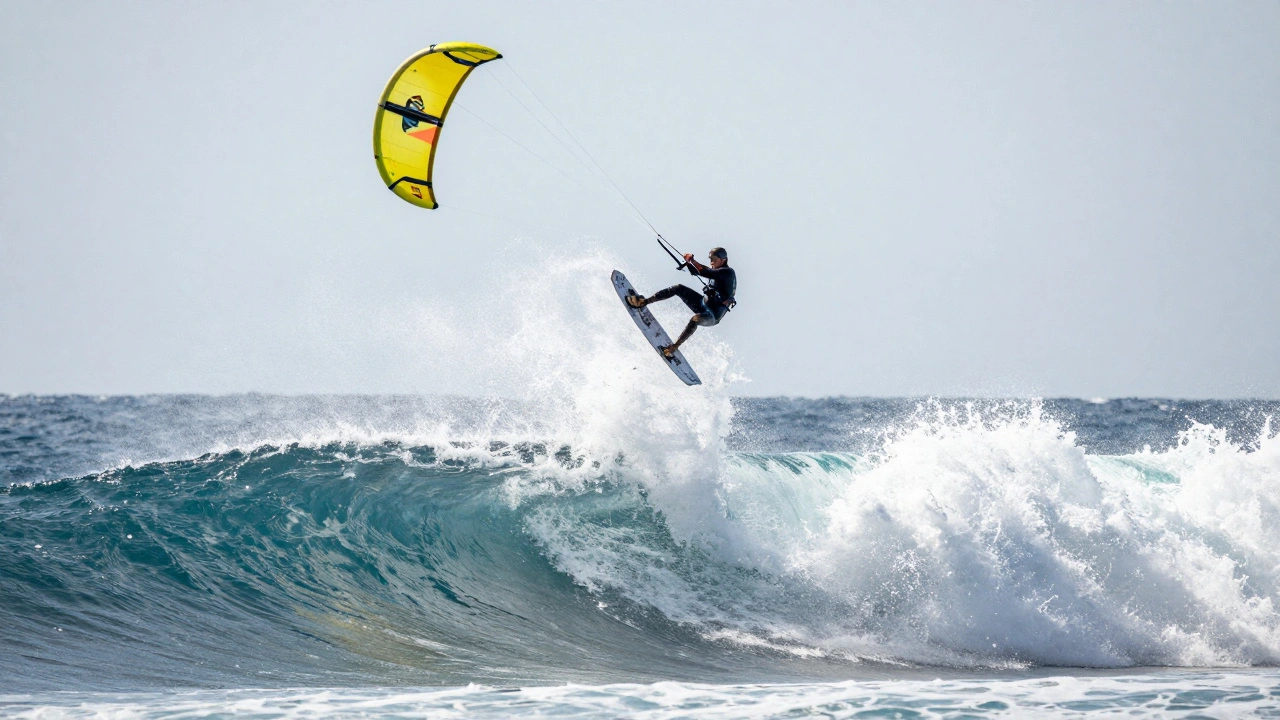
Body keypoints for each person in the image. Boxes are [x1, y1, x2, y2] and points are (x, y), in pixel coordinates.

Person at [627, 246, 736, 358]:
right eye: (710, 258)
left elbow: (705, 272)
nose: (711, 261)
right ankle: (643, 302)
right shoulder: (717, 271)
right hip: (702, 303)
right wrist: (689, 265)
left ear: (723, 260)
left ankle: (673, 348)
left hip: (712, 315)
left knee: (695, 319)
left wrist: (692, 260)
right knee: (678, 288)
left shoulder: (728, 272)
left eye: (714, 259)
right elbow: (703, 271)